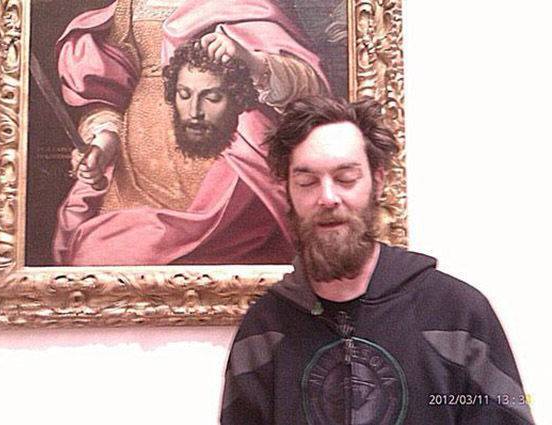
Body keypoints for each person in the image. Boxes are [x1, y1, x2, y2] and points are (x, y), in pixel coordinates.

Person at [220, 96, 535, 424]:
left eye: (345, 178)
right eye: (307, 182)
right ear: (287, 190)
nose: (327, 197)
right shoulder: (263, 330)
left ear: (378, 181)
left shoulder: (459, 314)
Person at [52, 0, 330, 265]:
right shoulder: (130, 6)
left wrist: (250, 61)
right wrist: (105, 139)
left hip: (223, 153)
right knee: (98, 254)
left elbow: (309, 87)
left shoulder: (242, 3)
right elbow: (109, 91)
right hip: (138, 155)